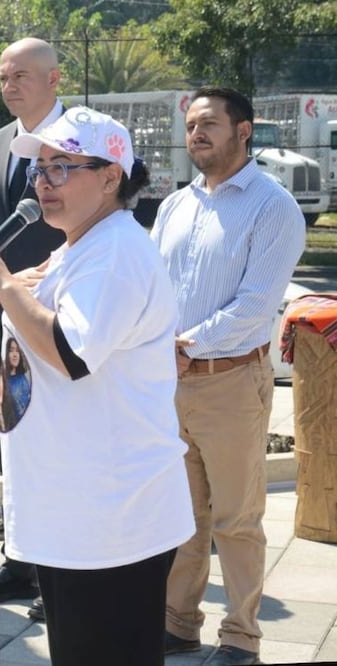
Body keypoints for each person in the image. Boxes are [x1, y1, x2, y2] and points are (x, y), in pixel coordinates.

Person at [0, 106, 195, 666]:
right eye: (40, 169)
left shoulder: (114, 252)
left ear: (111, 176)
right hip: (76, 511)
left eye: (62, 168)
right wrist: (20, 286)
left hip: (110, 518)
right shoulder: (79, 246)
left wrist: (3, 283)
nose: (44, 183)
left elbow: (69, 353)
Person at [152, 87, 306, 666]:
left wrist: (182, 347)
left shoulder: (273, 206)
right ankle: (179, 624)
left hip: (232, 382)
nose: (197, 133)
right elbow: (154, 287)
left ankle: (241, 637)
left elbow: (255, 303)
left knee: (237, 518)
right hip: (170, 382)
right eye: (191, 123)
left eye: (209, 123)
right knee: (181, 514)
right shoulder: (175, 205)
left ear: (244, 131)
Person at [0, 36, 67, 617]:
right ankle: (22, 561)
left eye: (21, 74)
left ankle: (63, 575)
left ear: (53, 78)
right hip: (1, 321)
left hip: (59, 315)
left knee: (57, 443)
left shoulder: (81, 137)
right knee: (13, 441)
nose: (9, 84)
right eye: (3, 76)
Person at [0, 337, 30, 432]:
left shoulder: (23, 377)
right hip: (15, 429)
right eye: (11, 350)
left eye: (17, 351)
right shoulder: (4, 380)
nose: (15, 355)